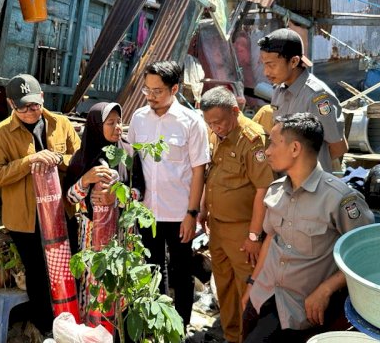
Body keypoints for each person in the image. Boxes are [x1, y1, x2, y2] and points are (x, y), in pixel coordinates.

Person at [241, 113, 374, 342]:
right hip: (263, 296)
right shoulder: (275, 190)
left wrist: (326, 289)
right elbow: (272, 239)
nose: (268, 151)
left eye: (273, 143)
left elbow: (365, 255)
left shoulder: (340, 199)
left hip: (300, 311)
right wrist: (252, 287)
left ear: (295, 148)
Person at [0, 73, 81, 334]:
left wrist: (60, 159)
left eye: (34, 104)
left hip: (62, 212)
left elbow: (80, 160)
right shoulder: (1, 133)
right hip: (25, 219)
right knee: (37, 273)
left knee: (70, 268)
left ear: (42, 98)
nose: (30, 111)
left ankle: (73, 322)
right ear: (12, 105)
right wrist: (28, 162)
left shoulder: (60, 123)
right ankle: (46, 329)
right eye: (23, 106)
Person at [127, 60, 210, 326]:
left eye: (157, 91)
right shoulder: (139, 119)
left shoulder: (192, 122)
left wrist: (191, 214)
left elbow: (199, 171)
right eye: (147, 91)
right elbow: (133, 162)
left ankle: (181, 325)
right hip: (147, 212)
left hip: (179, 213)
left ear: (174, 88)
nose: (151, 97)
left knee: (181, 271)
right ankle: (158, 323)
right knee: (153, 269)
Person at [198, 87, 274, 343]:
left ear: (235, 111)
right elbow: (215, 176)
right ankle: (232, 336)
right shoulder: (217, 132)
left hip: (242, 231)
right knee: (224, 285)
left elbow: (263, 189)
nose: (215, 127)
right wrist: (203, 208)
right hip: (217, 227)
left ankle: (247, 338)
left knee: (246, 288)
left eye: (218, 122)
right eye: (210, 123)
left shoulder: (253, 140)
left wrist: (254, 235)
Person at [63, 102, 145, 318]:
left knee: (119, 287)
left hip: (123, 236)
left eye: (119, 121)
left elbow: (140, 192)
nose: (118, 127)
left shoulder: (127, 153)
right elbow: (69, 198)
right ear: (97, 126)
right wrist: (85, 180)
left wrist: (116, 197)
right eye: (111, 123)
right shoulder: (81, 158)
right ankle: (92, 331)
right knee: (93, 284)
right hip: (91, 238)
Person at [258, 28, 347, 172]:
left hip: (312, 185)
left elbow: (339, 147)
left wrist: (309, 166)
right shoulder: (279, 91)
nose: (266, 72)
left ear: (293, 61)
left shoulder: (317, 97)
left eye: (271, 65)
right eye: (264, 65)